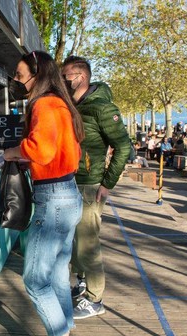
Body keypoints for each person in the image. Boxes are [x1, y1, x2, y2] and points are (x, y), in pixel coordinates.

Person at [3, 51, 86, 336]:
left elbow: (41, 149)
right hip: (66, 195)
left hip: (53, 201)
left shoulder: (44, 105)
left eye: (20, 74)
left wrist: (13, 151)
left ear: (36, 73)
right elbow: (65, 151)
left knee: (36, 280)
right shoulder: (61, 104)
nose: (17, 80)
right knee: (55, 277)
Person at [61, 55, 131, 320]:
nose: (62, 81)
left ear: (80, 77)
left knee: (88, 243)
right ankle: (81, 283)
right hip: (71, 180)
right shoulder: (73, 105)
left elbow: (125, 147)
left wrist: (107, 184)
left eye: (65, 76)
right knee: (76, 240)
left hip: (90, 185)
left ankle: (95, 298)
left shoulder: (101, 107)